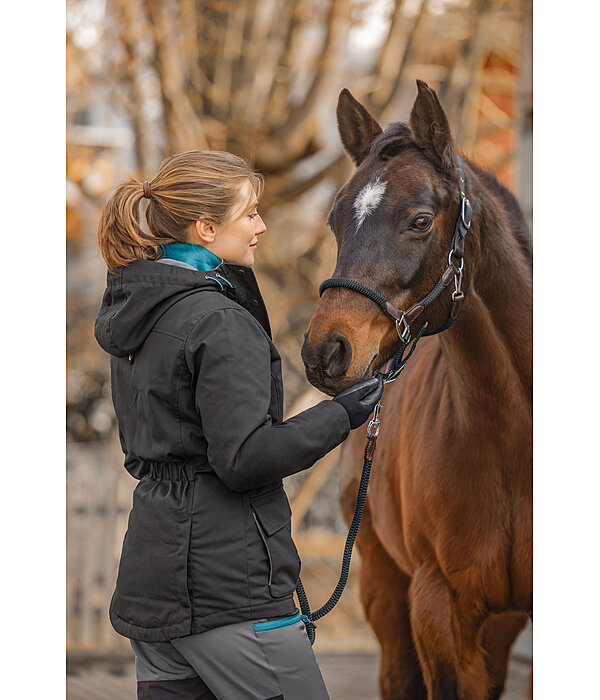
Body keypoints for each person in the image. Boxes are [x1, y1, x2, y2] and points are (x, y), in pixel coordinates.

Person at [94, 150, 384, 700]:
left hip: (153, 584)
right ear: (206, 227)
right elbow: (244, 458)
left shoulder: (138, 311)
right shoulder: (219, 321)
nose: (261, 225)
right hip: (229, 588)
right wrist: (343, 414)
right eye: (249, 213)